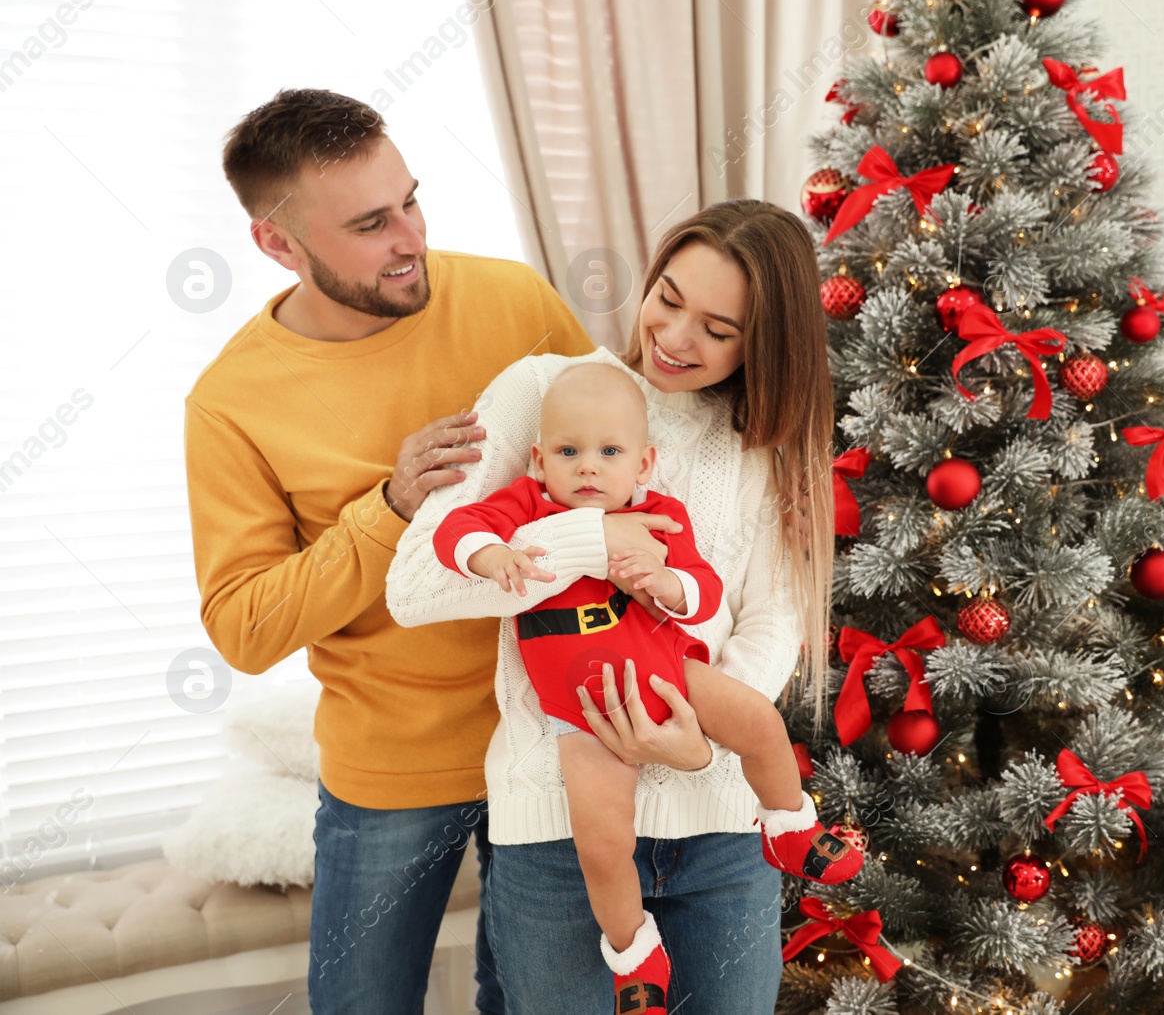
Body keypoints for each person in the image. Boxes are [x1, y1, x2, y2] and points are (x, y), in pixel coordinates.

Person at [184, 88, 593, 1014]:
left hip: (549, 738)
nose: (410, 236)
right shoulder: (232, 403)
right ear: (278, 245)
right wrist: (393, 505)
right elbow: (245, 628)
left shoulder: (512, 299)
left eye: (410, 199)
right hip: (389, 769)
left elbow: (620, 464)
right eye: (371, 223)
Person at [386, 199, 835, 1014]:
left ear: (762, 343)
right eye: (667, 296)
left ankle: (794, 820)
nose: (673, 336)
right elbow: (414, 586)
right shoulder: (543, 391)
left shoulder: (763, 443)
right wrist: (598, 538)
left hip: (724, 831)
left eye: (718, 328)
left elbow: (773, 617)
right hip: (559, 829)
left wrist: (692, 737)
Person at [430, 362, 859, 1009]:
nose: (589, 468)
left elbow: (704, 590)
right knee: (602, 842)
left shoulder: (660, 514)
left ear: (644, 461)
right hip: (584, 718)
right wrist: (492, 556)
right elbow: (452, 531)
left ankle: (788, 821)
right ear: (540, 460)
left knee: (761, 724)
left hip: (675, 679)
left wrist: (667, 583)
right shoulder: (527, 507)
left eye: (609, 452)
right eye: (569, 452)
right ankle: (634, 950)